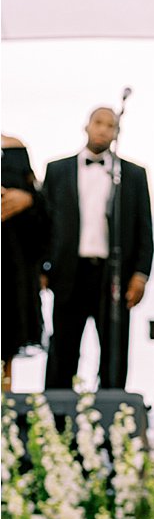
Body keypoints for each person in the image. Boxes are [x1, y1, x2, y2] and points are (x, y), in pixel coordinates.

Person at [42, 107, 153, 389]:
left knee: (114, 351)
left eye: (110, 125)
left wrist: (140, 274)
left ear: (117, 133)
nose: (104, 129)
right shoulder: (57, 170)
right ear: (87, 126)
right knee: (62, 350)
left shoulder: (133, 174)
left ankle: (112, 424)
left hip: (113, 275)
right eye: (99, 123)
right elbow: (45, 224)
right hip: (69, 273)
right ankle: (55, 423)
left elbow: (144, 227)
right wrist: (42, 268)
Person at [1, 135, 50, 390]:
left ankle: (4, 414)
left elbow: (43, 224)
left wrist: (28, 200)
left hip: (13, 270)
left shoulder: (14, 147)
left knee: (6, 343)